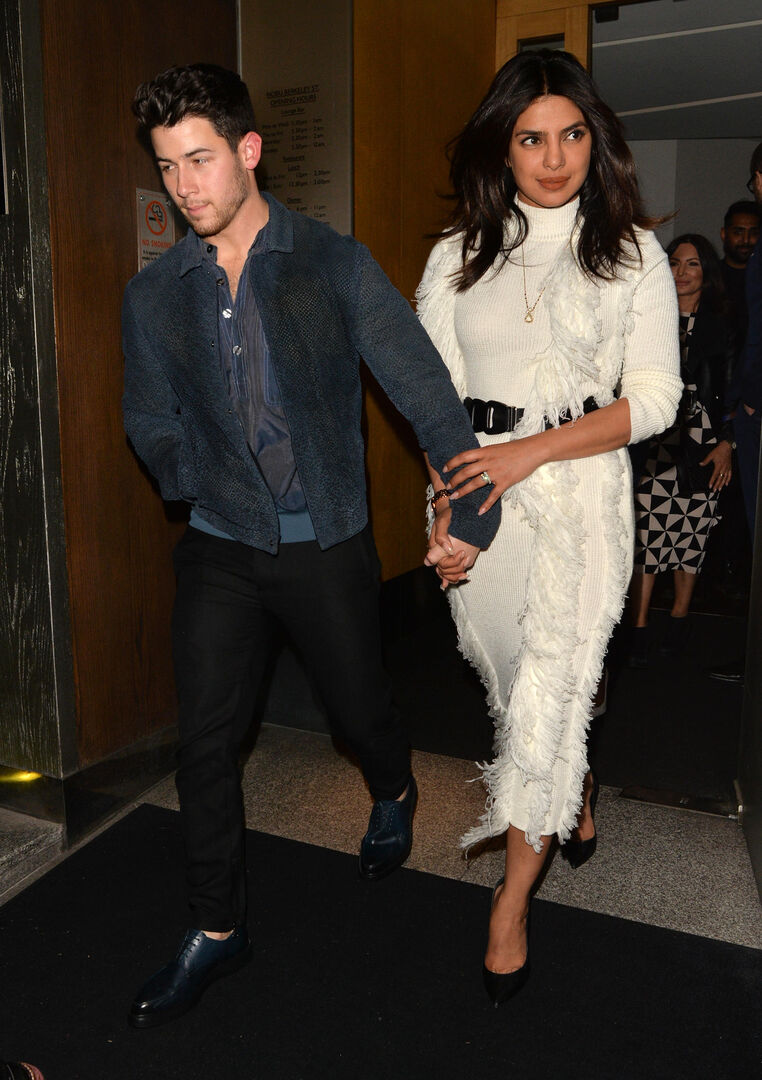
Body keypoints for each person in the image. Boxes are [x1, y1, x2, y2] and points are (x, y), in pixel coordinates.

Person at [122, 63, 499, 1028]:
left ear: (248, 150)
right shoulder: (155, 294)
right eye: (167, 167)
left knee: (358, 707)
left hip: (323, 542)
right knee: (206, 746)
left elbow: (422, 389)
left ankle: (392, 781)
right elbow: (147, 416)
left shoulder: (331, 262)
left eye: (200, 159)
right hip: (220, 546)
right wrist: (193, 473)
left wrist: (470, 509)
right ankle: (217, 927)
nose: (183, 186)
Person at [418, 49, 681, 1005]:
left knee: (547, 704)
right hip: (480, 496)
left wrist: (530, 453)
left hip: (578, 501)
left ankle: (511, 903)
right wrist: (445, 511)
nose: (556, 157)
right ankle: (577, 776)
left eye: (572, 135)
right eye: (532, 139)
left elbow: (654, 399)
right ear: (503, 147)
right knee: (511, 687)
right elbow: (434, 405)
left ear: (595, 141)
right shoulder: (456, 257)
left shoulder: (633, 254)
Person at [629, 235, 736, 663]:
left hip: (704, 441)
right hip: (654, 436)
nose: (682, 272)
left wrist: (728, 442)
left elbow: (735, 390)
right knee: (645, 532)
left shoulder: (723, 326)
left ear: (707, 273)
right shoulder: (646, 317)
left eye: (693, 264)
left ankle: (679, 619)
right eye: (674, 263)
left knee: (693, 531)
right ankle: (638, 625)